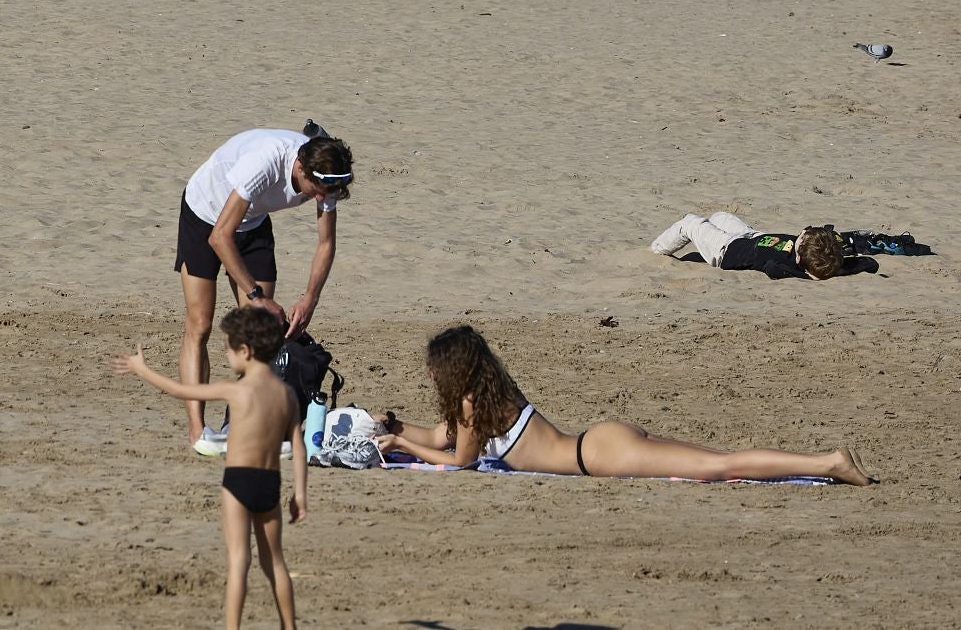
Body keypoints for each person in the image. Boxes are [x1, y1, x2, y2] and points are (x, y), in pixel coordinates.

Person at [374, 325, 872, 485]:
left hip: (601, 456)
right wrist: (398, 425)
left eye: (436, 367)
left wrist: (398, 443)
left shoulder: (470, 406)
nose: (432, 374)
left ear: (454, 368)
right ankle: (821, 461)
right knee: (716, 459)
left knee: (719, 467)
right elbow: (441, 438)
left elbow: (456, 460)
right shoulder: (484, 395)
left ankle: (828, 461)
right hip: (601, 441)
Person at [112, 307, 306, 630]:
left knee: (238, 561)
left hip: (238, 482)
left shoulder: (236, 390)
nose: (227, 355)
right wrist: (300, 493)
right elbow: (298, 446)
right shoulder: (287, 395)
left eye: (229, 349)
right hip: (270, 483)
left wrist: (141, 369)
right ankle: (289, 626)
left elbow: (181, 391)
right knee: (275, 562)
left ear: (246, 351)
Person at [173, 125, 352, 455]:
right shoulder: (264, 163)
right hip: (204, 215)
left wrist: (309, 298)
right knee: (200, 324)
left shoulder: (325, 178)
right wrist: (257, 295)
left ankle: (239, 425)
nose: (321, 198)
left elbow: (326, 243)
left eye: (330, 191)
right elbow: (219, 237)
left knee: (263, 332)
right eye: (317, 189)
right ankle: (198, 432)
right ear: (299, 168)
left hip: (252, 224)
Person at [649, 213, 906, 280]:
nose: (801, 234)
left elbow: (772, 268)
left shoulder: (786, 266)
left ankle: (655, 252)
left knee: (691, 223)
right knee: (719, 216)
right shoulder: (818, 255)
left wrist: (806, 275)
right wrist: (848, 265)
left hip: (726, 250)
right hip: (751, 236)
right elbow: (869, 263)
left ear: (798, 260)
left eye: (802, 238)